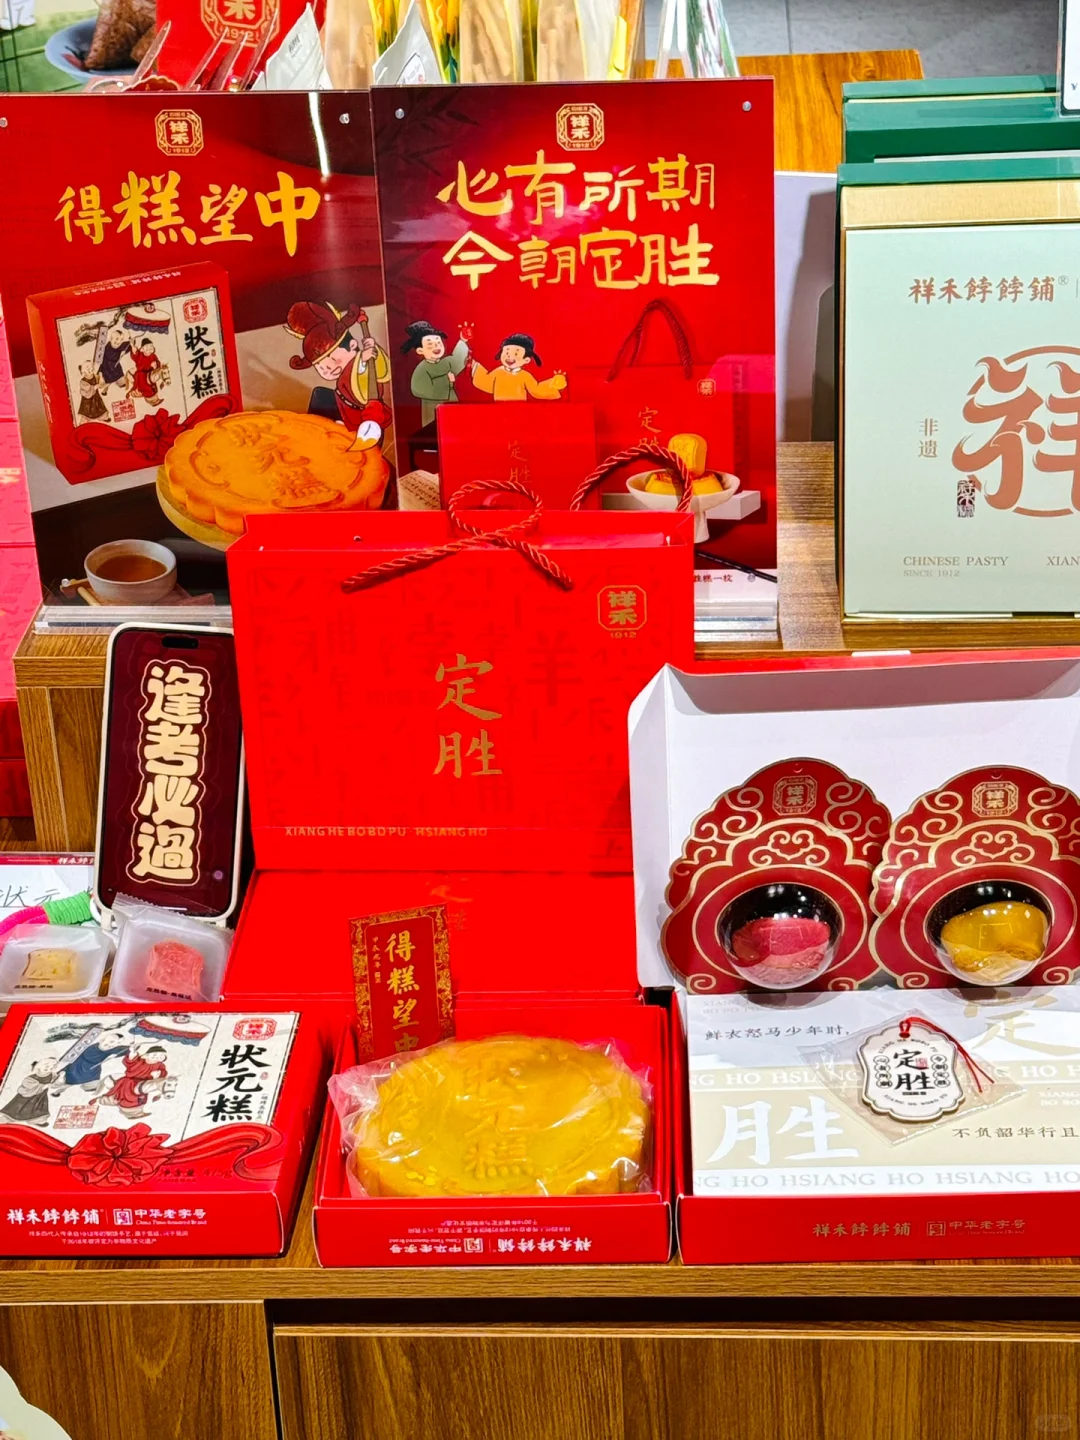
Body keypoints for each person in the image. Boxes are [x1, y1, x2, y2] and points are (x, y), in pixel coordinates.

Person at [285, 300, 391, 437]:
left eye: (332, 357)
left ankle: (340, 427)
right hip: (341, 405)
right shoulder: (351, 369)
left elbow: (381, 375)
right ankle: (316, 429)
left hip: (361, 413)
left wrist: (365, 358)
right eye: (319, 365)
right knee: (320, 394)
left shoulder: (363, 364)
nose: (327, 367)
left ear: (352, 345)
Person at [403, 320, 471, 425]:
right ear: (420, 350)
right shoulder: (422, 369)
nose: (436, 347)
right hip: (433, 408)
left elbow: (457, 359)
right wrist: (447, 380)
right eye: (430, 344)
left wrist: (463, 339)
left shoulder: (446, 362)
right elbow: (418, 388)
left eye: (438, 343)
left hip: (451, 405)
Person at [470, 333, 566, 402]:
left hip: (520, 409)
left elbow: (536, 389)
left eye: (516, 354)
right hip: (498, 408)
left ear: (526, 360)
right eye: (507, 352)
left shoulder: (525, 376)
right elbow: (487, 383)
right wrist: (475, 366)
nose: (509, 356)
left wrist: (554, 384)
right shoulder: (498, 372)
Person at [99, 1046, 168, 1120]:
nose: (157, 1057)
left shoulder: (160, 1065)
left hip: (146, 1081)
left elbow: (163, 1072)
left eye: (161, 1056)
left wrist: (159, 1074)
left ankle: (140, 1110)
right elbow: (130, 1062)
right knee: (130, 1092)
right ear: (147, 1055)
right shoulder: (139, 1061)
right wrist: (132, 1054)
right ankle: (129, 1111)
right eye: (154, 1055)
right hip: (132, 1080)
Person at [0, 1058, 57, 1127]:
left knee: (39, 1109)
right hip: (26, 1097)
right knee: (18, 1109)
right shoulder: (31, 1078)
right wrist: (43, 1086)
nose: (48, 1069)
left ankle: (37, 1120)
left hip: (40, 1097)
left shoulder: (52, 1075)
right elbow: (27, 1085)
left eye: (51, 1068)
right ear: (39, 1066)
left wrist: (60, 1079)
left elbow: (55, 1082)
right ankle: (6, 1119)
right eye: (46, 1067)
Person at [129, 338, 163, 405]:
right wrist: (132, 345)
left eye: (151, 346)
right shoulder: (140, 356)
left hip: (151, 372)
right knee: (144, 384)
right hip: (142, 374)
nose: (149, 348)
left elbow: (158, 362)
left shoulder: (153, 356)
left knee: (153, 385)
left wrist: (156, 365)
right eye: (147, 347)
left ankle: (155, 397)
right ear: (142, 349)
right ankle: (149, 397)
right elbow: (135, 353)